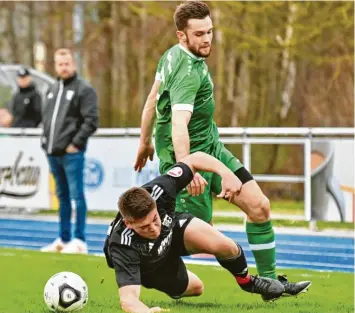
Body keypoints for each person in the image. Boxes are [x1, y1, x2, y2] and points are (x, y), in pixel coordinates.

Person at [134, 1, 311, 301]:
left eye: (210, 32)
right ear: (182, 36)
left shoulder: (171, 55)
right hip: (187, 157)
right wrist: (184, 170)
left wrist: (144, 139)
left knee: (260, 206)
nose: (207, 39)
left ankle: (269, 285)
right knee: (201, 236)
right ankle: (150, 263)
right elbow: (179, 126)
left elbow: (152, 98)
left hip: (212, 148)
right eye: (199, 33)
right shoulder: (187, 73)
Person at [105, 151, 286, 313]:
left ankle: (248, 283)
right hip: (151, 266)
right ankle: (171, 282)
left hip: (172, 230)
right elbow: (128, 300)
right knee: (197, 288)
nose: (153, 228)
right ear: (129, 224)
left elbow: (195, 158)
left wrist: (226, 174)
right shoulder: (122, 245)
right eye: (144, 227)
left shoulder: (161, 190)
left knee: (226, 246)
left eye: (154, 219)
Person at [40, 48, 99, 254]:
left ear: (73, 64)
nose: (63, 67)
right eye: (59, 64)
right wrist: (45, 141)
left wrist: (75, 143)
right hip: (52, 153)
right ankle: (63, 239)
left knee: (77, 195)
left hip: (72, 153)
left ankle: (79, 239)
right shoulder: (52, 89)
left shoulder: (84, 89)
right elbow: (46, 119)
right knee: (62, 196)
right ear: (55, 65)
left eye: (67, 63)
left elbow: (91, 121)